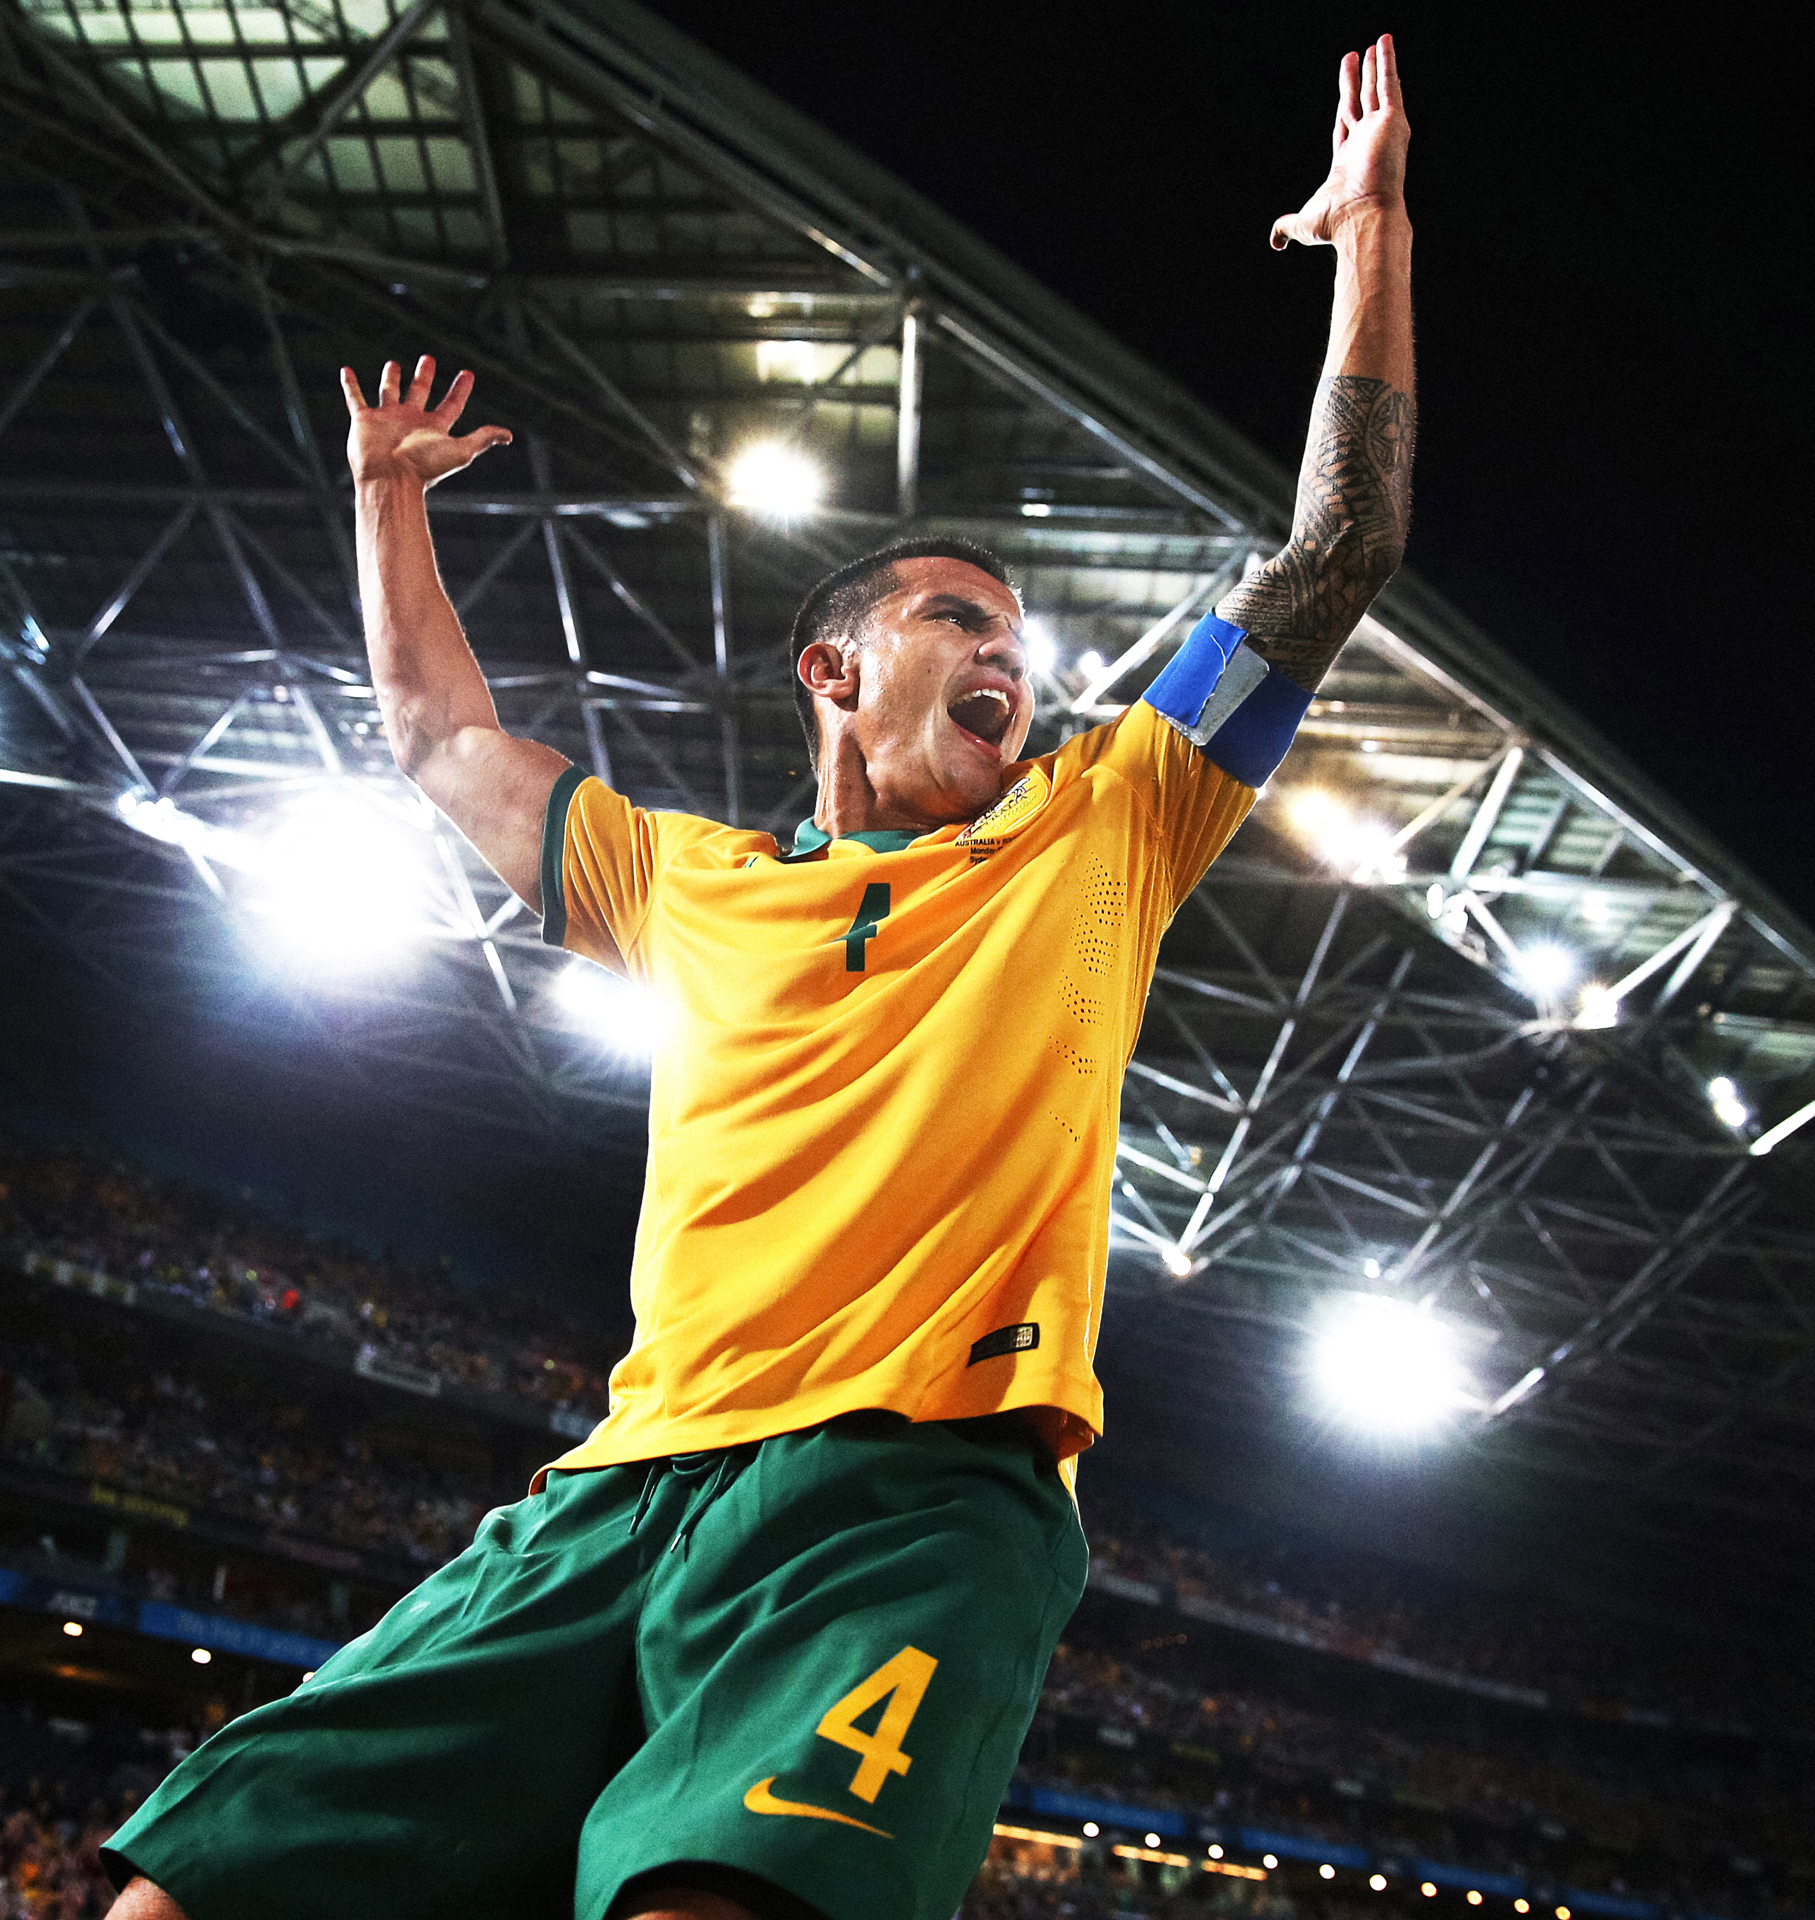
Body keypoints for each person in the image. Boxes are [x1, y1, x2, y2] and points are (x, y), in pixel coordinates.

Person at [104, 34, 1413, 1920]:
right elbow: (436, 738)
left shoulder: (1104, 824)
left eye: (1023, 648)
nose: (1011, 665)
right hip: (619, 1488)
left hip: (905, 1496)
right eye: (964, 621)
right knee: (184, 1890)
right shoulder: (682, 878)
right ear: (834, 672)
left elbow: (1339, 542)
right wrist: (389, 501)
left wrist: (1369, 247)